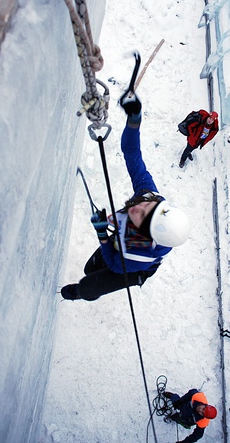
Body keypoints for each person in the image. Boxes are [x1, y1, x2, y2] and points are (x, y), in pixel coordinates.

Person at [61, 91, 190, 301]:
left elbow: (114, 263)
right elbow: (132, 152)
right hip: (127, 242)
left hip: (133, 269)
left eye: (142, 217)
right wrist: (134, 120)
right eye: (149, 207)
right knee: (90, 267)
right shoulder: (148, 195)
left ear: (146, 234)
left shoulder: (138, 257)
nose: (138, 208)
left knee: (90, 283)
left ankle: (81, 292)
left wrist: (103, 235)